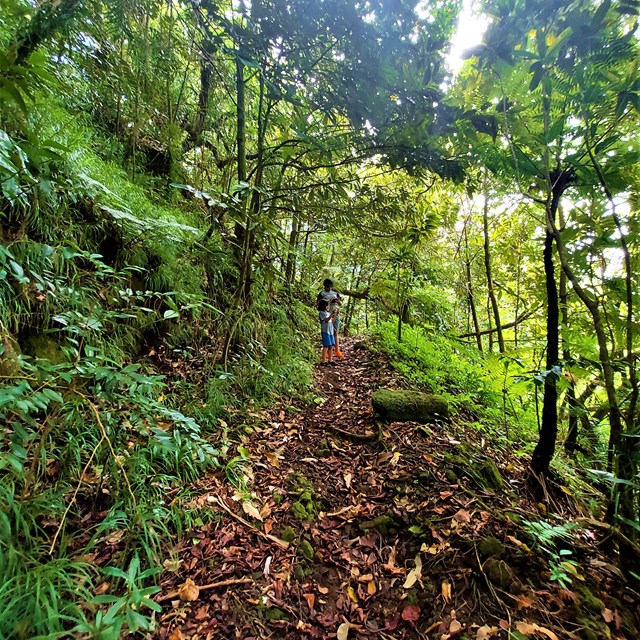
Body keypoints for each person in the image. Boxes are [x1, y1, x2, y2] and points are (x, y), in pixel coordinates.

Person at [317, 279, 345, 358]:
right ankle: (326, 352)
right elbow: (318, 304)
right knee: (327, 332)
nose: (329, 288)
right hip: (326, 314)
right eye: (327, 287)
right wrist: (329, 301)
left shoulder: (335, 293)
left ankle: (337, 351)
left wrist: (336, 301)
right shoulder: (322, 294)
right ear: (325, 286)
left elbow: (340, 303)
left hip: (335, 313)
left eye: (330, 287)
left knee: (335, 332)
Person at [317, 299, 337, 366]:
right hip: (325, 331)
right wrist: (332, 314)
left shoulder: (328, 313)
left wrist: (335, 314)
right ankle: (323, 361)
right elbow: (326, 320)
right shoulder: (321, 313)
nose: (328, 307)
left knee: (331, 346)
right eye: (327, 305)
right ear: (324, 306)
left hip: (330, 331)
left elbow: (332, 321)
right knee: (326, 346)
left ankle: (330, 360)